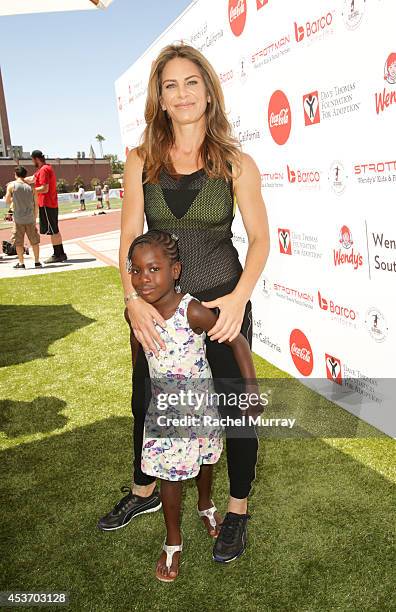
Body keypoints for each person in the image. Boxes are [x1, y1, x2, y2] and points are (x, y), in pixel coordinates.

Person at [98, 43, 270, 563]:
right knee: (145, 403)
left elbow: (261, 239)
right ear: (160, 98)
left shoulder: (236, 162)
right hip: (157, 308)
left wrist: (239, 300)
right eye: (170, 85)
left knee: (234, 410)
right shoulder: (139, 161)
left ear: (208, 91)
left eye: (191, 82)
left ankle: (236, 509)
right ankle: (145, 492)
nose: (182, 93)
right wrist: (132, 298)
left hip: (220, 306)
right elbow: (129, 234)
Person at [126, 229, 261, 581]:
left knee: (205, 458)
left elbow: (237, 342)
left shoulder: (193, 312)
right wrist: (139, 384)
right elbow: (137, 347)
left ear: (176, 271)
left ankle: (206, 503)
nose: (143, 279)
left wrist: (250, 388)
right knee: (171, 477)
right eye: (136, 270)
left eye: (153, 269)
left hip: (200, 407)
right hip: (166, 413)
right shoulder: (136, 314)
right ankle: (173, 540)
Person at [24, 150, 67, 264]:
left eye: (32, 159)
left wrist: (29, 190)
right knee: (53, 229)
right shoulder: (43, 169)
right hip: (48, 203)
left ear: (36, 159)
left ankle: (58, 254)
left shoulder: (44, 170)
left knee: (54, 230)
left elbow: (44, 188)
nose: (32, 162)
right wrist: (19, 181)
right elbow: (32, 178)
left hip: (48, 203)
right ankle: (59, 253)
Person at [5, 166, 41, 269]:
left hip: (18, 219)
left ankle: (21, 263)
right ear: (25, 175)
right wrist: (34, 218)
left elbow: (7, 201)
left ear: (16, 175)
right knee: (34, 241)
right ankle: (37, 262)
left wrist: (14, 199)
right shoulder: (31, 188)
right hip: (30, 218)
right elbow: (36, 204)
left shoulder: (12, 186)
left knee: (18, 242)